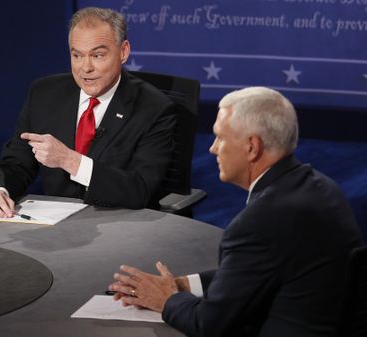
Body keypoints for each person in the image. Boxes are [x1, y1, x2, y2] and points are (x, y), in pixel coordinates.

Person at [109, 87, 364, 337]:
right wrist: (184, 284)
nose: (212, 148)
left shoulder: (261, 220)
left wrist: (166, 299)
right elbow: (253, 272)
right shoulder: (321, 187)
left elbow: (207, 324)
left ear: (252, 147)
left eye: (220, 137)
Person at [0, 7, 176, 218]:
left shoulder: (154, 108)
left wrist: (70, 160)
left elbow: (140, 190)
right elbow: (17, 161)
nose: (85, 68)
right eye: (77, 55)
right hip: (55, 229)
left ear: (123, 52)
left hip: (121, 226)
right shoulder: (44, 93)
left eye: (97, 55)